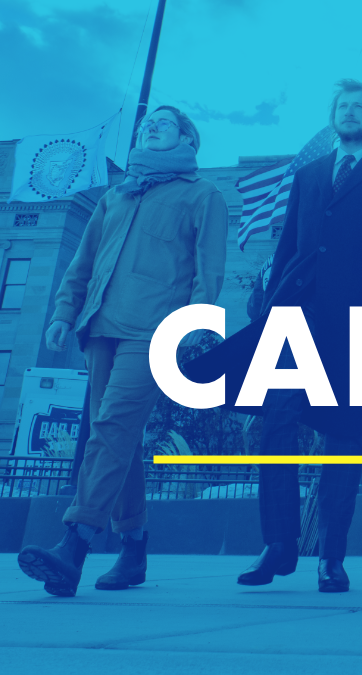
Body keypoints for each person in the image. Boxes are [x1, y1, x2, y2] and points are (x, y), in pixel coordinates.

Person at [186, 79, 362, 592]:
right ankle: (278, 544)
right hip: (296, 318)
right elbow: (290, 241)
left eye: (358, 106)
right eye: (342, 106)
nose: (349, 112)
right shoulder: (310, 175)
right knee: (278, 425)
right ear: (333, 117)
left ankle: (331, 556)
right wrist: (271, 299)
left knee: (344, 436)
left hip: (357, 318)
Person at [18, 106, 228, 596]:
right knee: (120, 438)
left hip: (155, 332)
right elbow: (82, 263)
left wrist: (193, 326)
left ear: (187, 137)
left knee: (110, 428)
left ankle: (74, 543)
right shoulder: (116, 196)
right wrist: (62, 315)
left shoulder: (203, 195)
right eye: (146, 123)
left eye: (164, 122)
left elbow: (209, 269)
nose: (151, 126)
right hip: (99, 330)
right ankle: (134, 548)